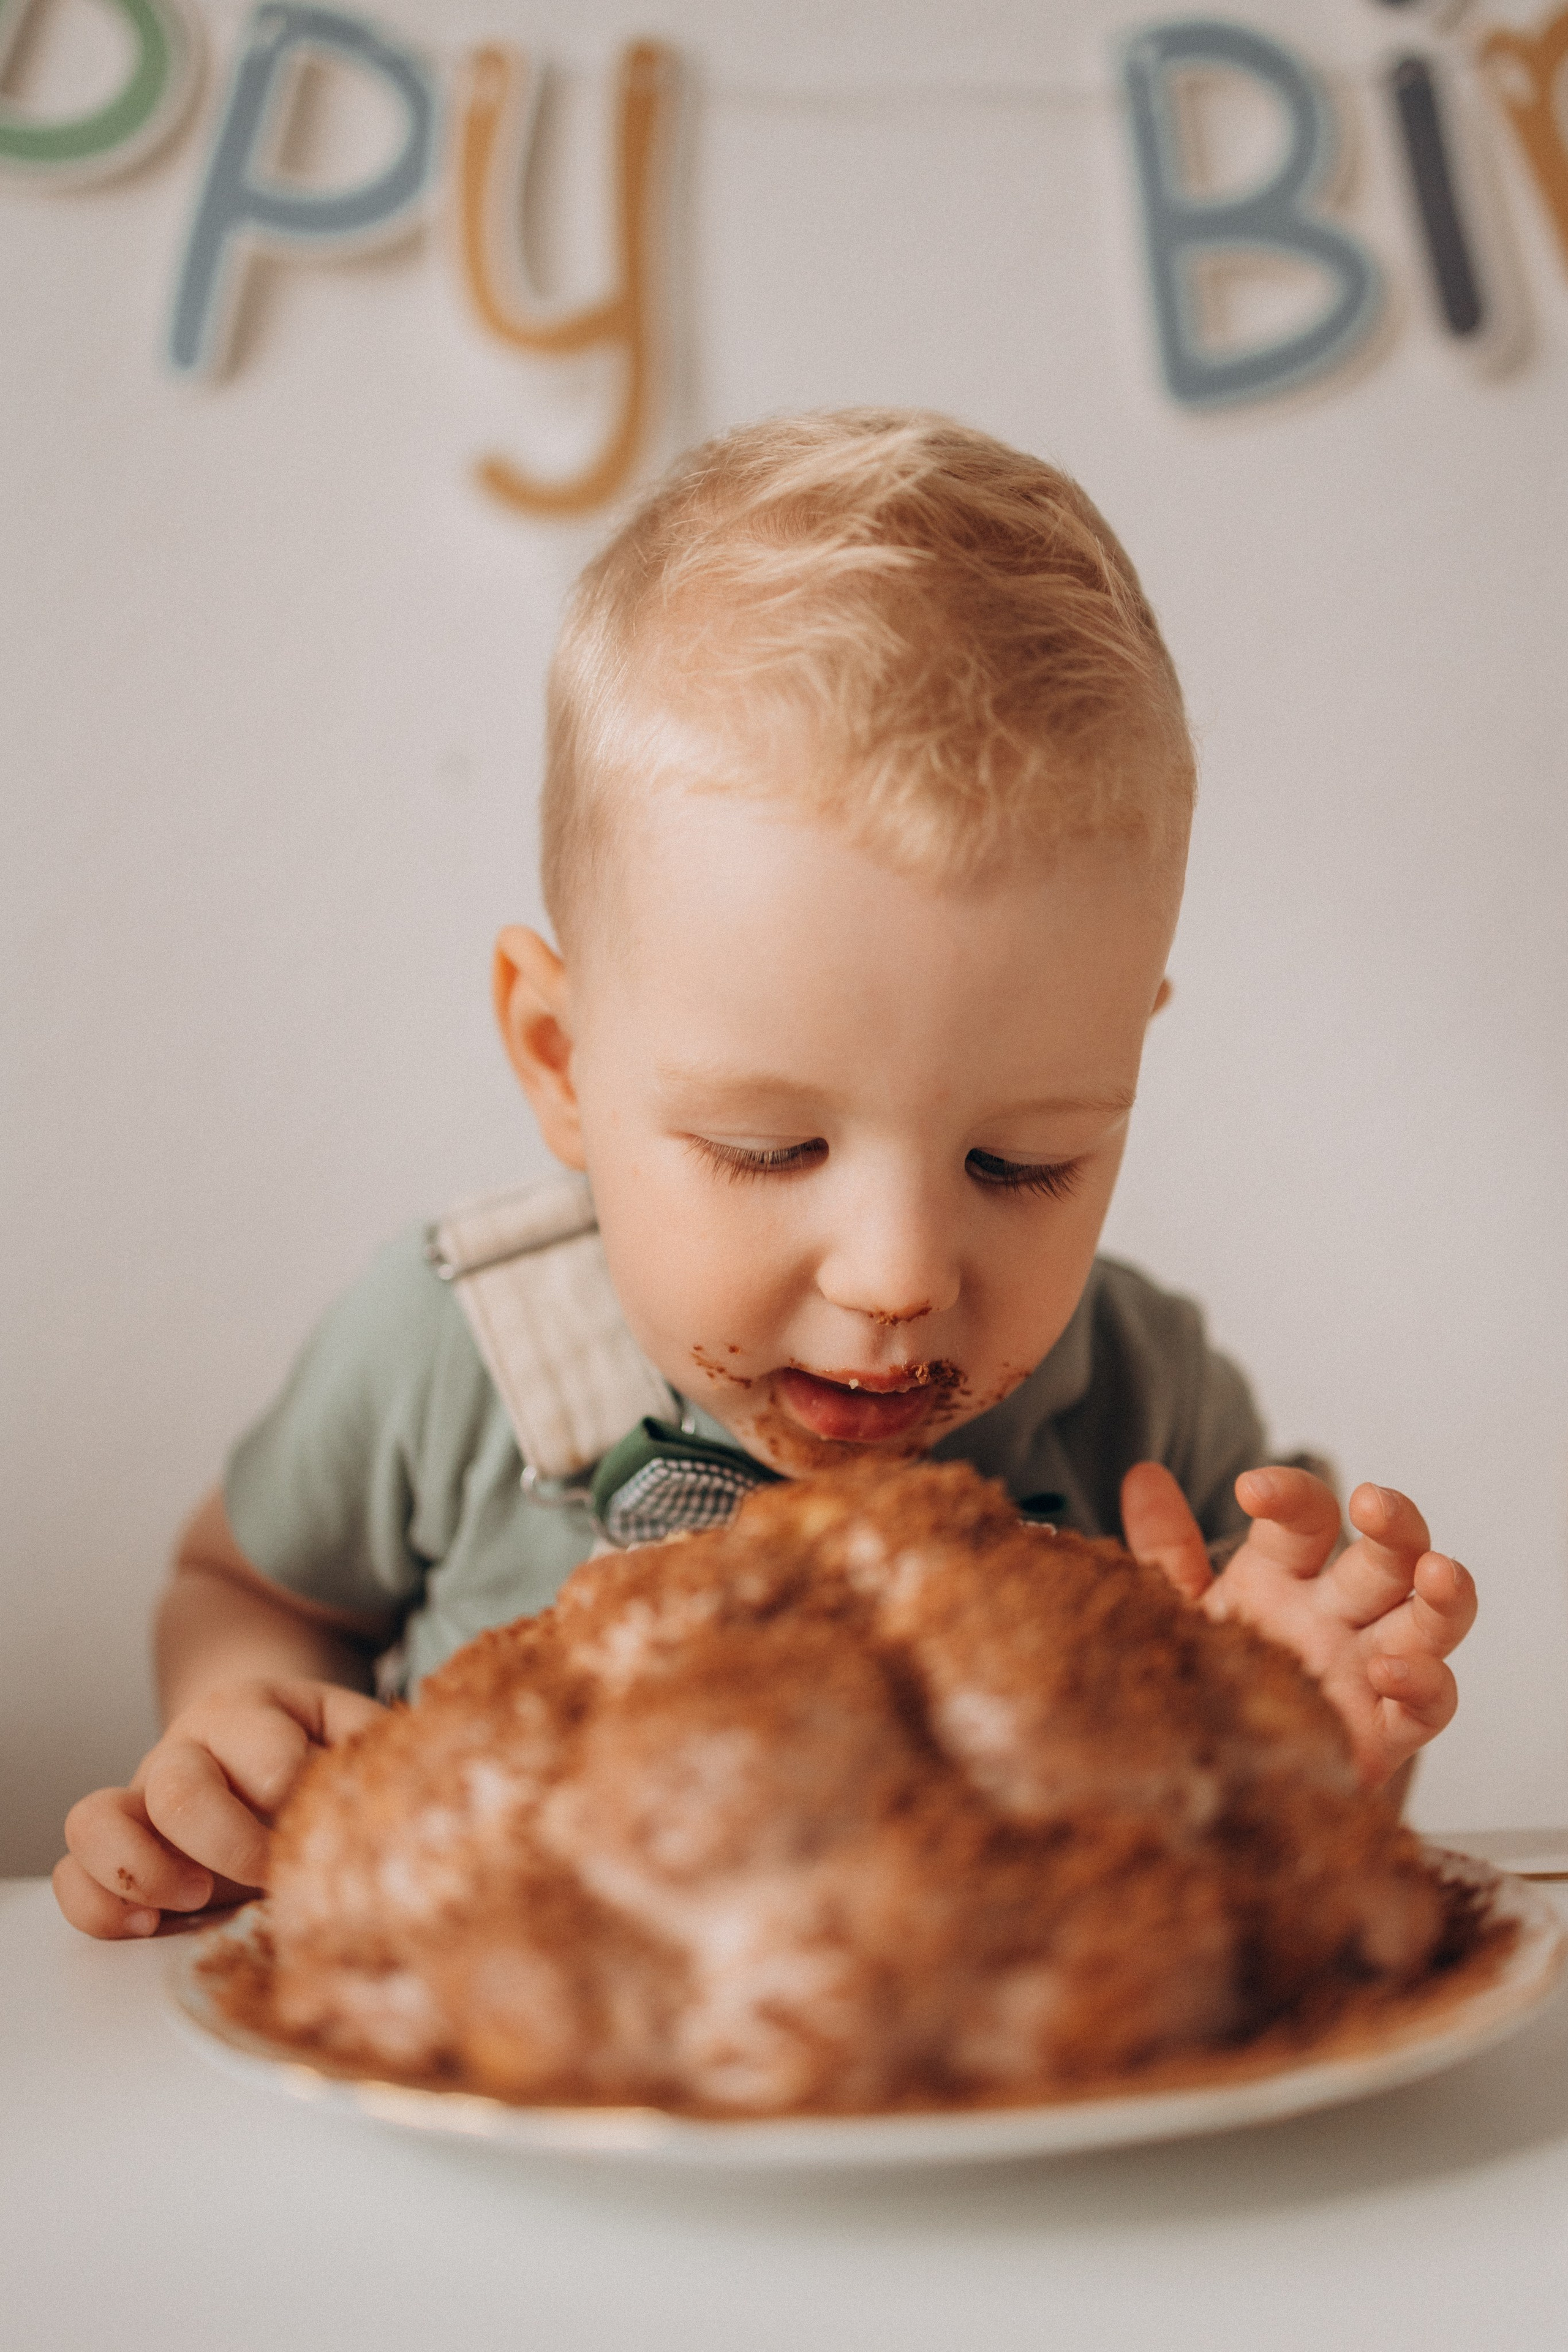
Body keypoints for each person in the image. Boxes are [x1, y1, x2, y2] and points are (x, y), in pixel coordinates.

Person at [53, 410, 1476, 1941]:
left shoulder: (1146, 1410)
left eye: (1020, 1160)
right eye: (769, 1148)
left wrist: (1300, 1732)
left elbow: (1291, 1878)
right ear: (557, 1060)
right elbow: (246, 1581)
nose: (895, 1274)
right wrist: (243, 1730)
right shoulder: (454, 1349)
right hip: (517, 2068)